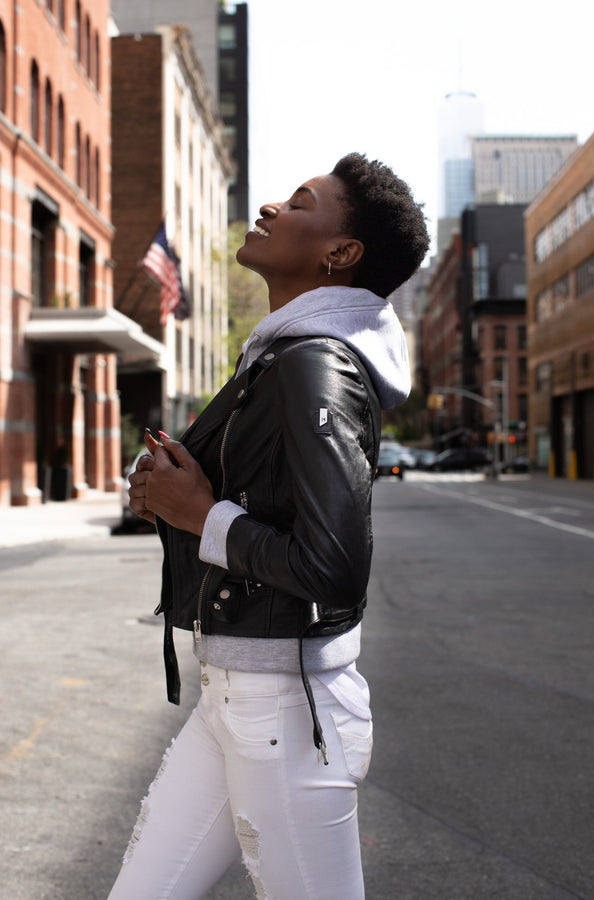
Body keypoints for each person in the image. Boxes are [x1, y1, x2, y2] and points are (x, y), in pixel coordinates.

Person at [109, 152, 429, 900]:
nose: (272, 208)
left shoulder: (314, 364)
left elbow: (332, 568)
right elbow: (257, 506)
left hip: (287, 709)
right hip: (234, 695)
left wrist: (201, 513)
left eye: (301, 203)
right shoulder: (276, 356)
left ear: (339, 254)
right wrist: (169, 499)